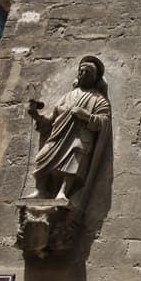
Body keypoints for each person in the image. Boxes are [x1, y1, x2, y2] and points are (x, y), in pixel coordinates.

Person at [25, 55, 110, 202]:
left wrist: (87, 117)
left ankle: (63, 192)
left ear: (93, 77)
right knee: (42, 157)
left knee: (74, 160)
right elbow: (51, 119)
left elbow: (104, 121)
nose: (81, 74)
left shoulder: (98, 99)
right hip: (58, 135)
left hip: (79, 137)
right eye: (80, 71)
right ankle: (40, 190)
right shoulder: (67, 96)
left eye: (86, 72)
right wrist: (37, 116)